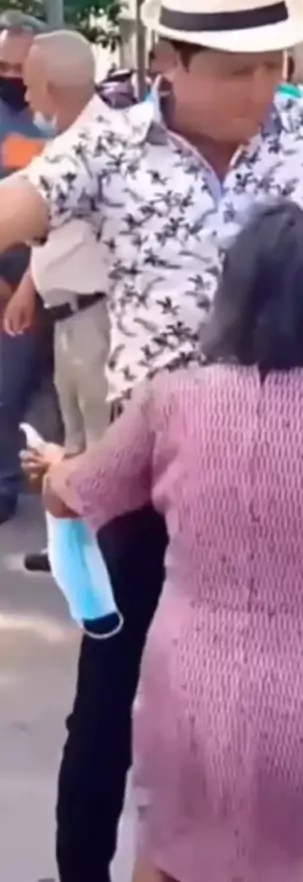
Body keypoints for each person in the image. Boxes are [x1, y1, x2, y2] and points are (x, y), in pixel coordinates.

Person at [6, 0, 303, 877]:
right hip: (153, 472)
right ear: (172, 63)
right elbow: (14, 208)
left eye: (273, 66)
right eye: (236, 71)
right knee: (104, 711)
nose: (262, 88)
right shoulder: (109, 144)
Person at [4, 30, 112, 572]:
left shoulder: (102, 146)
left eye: (27, 82)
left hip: (97, 318)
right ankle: (73, 547)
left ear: (52, 86)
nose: (23, 95)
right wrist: (29, 288)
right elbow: (51, 234)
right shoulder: (67, 143)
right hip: (67, 313)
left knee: (102, 445)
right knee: (72, 441)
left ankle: (110, 557)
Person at [0, 14, 50, 524]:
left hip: (45, 283)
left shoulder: (56, 123)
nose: (12, 77)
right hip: (6, 284)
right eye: (4, 67)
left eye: (22, 68)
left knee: (35, 399)